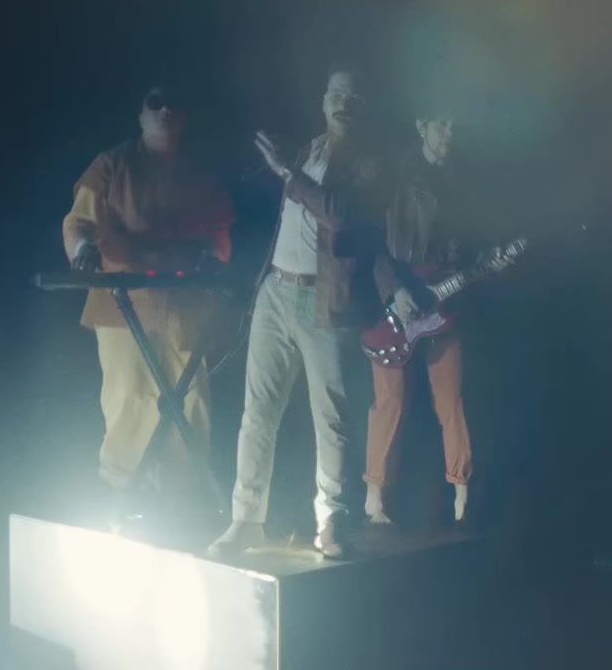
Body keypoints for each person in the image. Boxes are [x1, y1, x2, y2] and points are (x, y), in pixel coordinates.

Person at [208, 63, 390, 559]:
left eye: (354, 98)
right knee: (258, 412)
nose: (344, 105)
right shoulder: (309, 148)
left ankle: (332, 523)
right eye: (337, 95)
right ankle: (246, 520)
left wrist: (289, 172)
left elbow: (340, 213)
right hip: (276, 289)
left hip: (323, 299)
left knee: (331, 417)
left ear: (366, 108)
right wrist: (286, 165)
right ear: (323, 101)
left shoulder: (372, 163)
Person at [62, 83, 234, 503]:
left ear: (185, 117)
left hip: (185, 303)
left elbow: (219, 231)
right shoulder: (111, 165)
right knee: (130, 398)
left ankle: (183, 494)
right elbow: (81, 221)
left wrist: (214, 258)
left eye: (174, 104)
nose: (165, 111)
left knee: (191, 400)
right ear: (140, 115)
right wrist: (83, 250)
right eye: (155, 104)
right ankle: (122, 491)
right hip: (125, 302)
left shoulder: (199, 174)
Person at [364, 104, 513, 525]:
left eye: (455, 125)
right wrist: (395, 290)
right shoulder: (394, 178)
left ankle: (462, 496)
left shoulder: (464, 183)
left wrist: (491, 261)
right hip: (397, 303)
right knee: (390, 402)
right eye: (442, 124)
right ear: (421, 126)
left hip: (445, 304)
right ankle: (374, 497)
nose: (450, 133)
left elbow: (471, 249)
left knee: (452, 400)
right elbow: (375, 243)